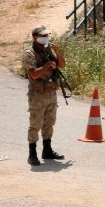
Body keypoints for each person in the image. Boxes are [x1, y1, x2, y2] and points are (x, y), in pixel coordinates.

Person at [23, 25, 66, 166]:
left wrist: (57, 53)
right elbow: (34, 74)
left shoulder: (47, 50)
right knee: (35, 124)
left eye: (46, 35)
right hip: (37, 95)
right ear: (35, 37)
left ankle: (47, 150)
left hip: (50, 93)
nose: (46, 38)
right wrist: (48, 64)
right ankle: (32, 154)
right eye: (43, 36)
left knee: (49, 123)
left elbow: (62, 65)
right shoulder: (29, 53)